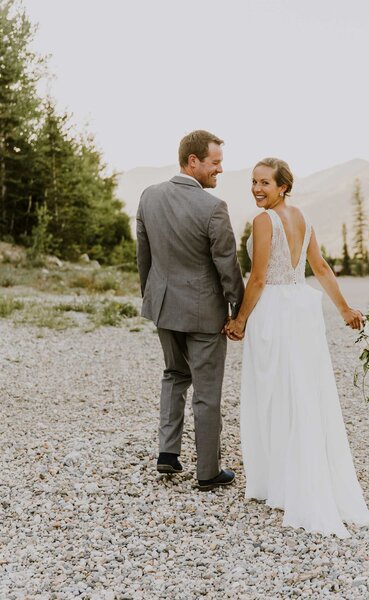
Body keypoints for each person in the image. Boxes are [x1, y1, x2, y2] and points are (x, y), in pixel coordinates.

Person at [226, 157, 369, 538]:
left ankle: (281, 481)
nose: (257, 189)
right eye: (254, 182)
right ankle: (297, 475)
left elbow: (257, 278)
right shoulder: (302, 217)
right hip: (301, 308)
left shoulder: (263, 221)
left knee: (273, 393)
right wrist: (343, 310)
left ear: (283, 187)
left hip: (273, 310)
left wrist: (239, 320)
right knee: (304, 392)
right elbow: (319, 268)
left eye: (265, 184)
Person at [136, 130, 244, 491]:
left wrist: (152, 298)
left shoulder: (148, 196)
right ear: (193, 161)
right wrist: (238, 311)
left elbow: (144, 258)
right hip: (203, 313)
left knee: (173, 374)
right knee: (207, 392)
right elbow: (227, 266)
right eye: (215, 163)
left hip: (163, 306)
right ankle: (208, 472)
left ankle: (167, 454)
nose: (220, 170)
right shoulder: (213, 207)